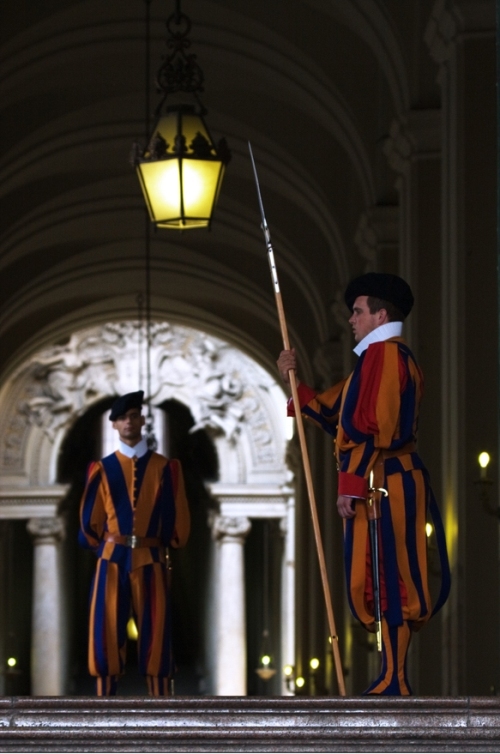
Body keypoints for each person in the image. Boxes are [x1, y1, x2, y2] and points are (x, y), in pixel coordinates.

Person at [277, 273, 450, 695]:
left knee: (392, 576)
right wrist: (293, 381)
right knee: (380, 575)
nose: (351, 319)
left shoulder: (385, 356)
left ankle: (395, 676)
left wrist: (349, 483)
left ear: (381, 314)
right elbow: (336, 413)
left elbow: (375, 427)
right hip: (381, 478)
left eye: (358, 311)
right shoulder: (373, 360)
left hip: (386, 480)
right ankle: (392, 674)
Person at [79, 390, 190, 696]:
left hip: (151, 555)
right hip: (111, 558)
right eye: (121, 418)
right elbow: (89, 525)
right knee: (105, 632)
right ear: (114, 425)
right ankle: (104, 709)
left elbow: (178, 526)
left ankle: (161, 709)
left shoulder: (166, 468)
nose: (128, 422)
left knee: (157, 633)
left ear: (142, 419)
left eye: (133, 416)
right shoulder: (101, 470)